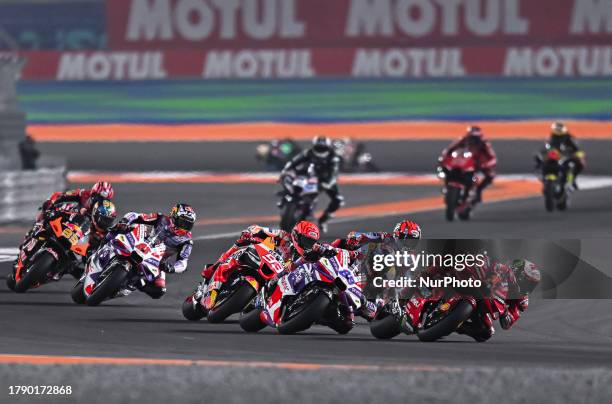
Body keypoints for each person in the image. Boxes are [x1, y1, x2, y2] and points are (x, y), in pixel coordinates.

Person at [110, 203, 196, 299]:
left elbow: (183, 263)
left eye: (188, 225)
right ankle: (105, 245)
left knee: (159, 291)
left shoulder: (187, 241)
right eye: (183, 223)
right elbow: (137, 216)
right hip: (140, 242)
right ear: (174, 217)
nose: (184, 228)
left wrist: (171, 268)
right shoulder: (161, 218)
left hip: (157, 261)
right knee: (115, 231)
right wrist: (125, 221)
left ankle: (136, 283)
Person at [454, 258, 541, 342]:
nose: (528, 288)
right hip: (475, 282)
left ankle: (454, 325)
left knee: (486, 332)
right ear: (519, 275)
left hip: (484, 304)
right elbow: (482, 261)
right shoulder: (502, 268)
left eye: (532, 286)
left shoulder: (522, 301)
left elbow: (507, 324)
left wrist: (505, 312)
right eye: (528, 283)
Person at [281, 136, 343, 232]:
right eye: (318, 147)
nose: (320, 150)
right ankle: (285, 200)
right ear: (314, 146)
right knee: (291, 183)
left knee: (338, 200)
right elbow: (294, 161)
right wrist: (286, 170)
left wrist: (328, 183)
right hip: (306, 175)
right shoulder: (308, 152)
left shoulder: (333, 157)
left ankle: (323, 220)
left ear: (328, 147)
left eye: (323, 148)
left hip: (324, 180)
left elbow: (334, 173)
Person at [441, 126, 497, 204]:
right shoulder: (463, 140)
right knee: (446, 169)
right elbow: (450, 149)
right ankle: (447, 187)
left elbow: (493, 158)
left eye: (475, 139)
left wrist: (485, 164)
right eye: (471, 138)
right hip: (463, 162)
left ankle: (478, 191)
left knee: (490, 175)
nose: (473, 141)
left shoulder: (485, 144)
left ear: (479, 138)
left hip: (477, 164)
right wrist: (444, 158)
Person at [536, 121, 585, 189]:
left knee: (577, 164)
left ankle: (572, 179)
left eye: (560, 129)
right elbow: (545, 147)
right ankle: (543, 175)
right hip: (554, 157)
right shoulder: (551, 138)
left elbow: (576, 149)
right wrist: (544, 154)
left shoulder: (568, 138)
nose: (558, 131)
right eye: (557, 129)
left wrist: (577, 155)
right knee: (540, 158)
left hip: (566, 156)